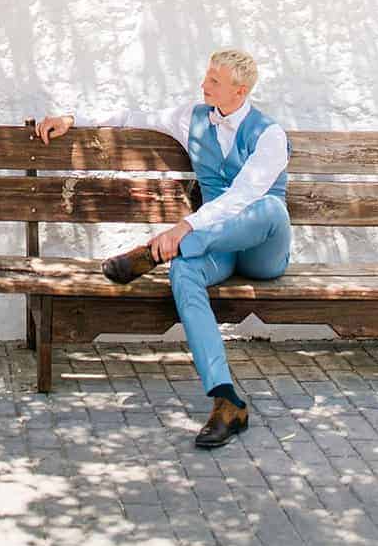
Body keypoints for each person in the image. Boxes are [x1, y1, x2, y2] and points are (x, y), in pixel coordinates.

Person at [36, 48, 290, 449]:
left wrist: (185, 229)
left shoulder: (270, 135)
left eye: (214, 81)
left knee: (270, 208)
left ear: (240, 91)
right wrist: (72, 118)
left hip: (262, 249)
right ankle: (226, 400)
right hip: (217, 249)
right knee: (183, 271)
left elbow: (243, 196)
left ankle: (155, 251)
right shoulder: (191, 118)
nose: (203, 85)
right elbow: (130, 117)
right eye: (206, 76)